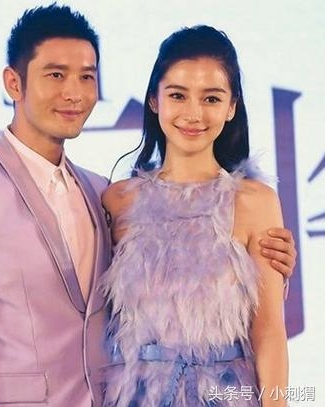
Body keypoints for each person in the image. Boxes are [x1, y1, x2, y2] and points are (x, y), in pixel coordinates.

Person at [0, 5, 295, 407]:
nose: (73, 92)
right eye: (56, 75)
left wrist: (266, 267)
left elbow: (256, 324)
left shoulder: (98, 192)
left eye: (86, 77)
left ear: (231, 107)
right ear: (13, 83)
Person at [102, 26, 289, 406]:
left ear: (231, 107)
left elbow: (269, 331)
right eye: (177, 95)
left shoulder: (255, 201)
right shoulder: (117, 200)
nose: (193, 113)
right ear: (154, 100)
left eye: (211, 98)